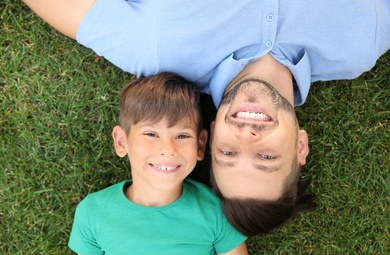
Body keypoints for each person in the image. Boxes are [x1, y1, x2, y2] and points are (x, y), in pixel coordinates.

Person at [22, 0, 390, 236]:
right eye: (266, 157)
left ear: (208, 138)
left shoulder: (155, 47)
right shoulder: (362, 44)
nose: (247, 136)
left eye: (227, 154)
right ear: (300, 146)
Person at [67, 72, 248, 255]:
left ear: (200, 145)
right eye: (151, 134)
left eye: (182, 136)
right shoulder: (93, 212)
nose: (168, 149)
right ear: (121, 142)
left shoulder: (217, 210)